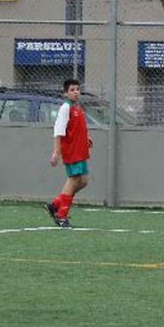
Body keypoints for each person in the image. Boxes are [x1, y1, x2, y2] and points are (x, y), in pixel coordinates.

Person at [45, 78, 91, 229]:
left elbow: (77, 128)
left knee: (83, 181)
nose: (76, 92)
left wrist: (86, 139)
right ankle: (61, 215)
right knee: (73, 180)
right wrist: (56, 153)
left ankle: (55, 205)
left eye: (77, 89)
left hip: (80, 150)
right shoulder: (66, 107)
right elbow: (58, 131)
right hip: (71, 151)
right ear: (65, 93)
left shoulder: (77, 108)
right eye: (72, 90)